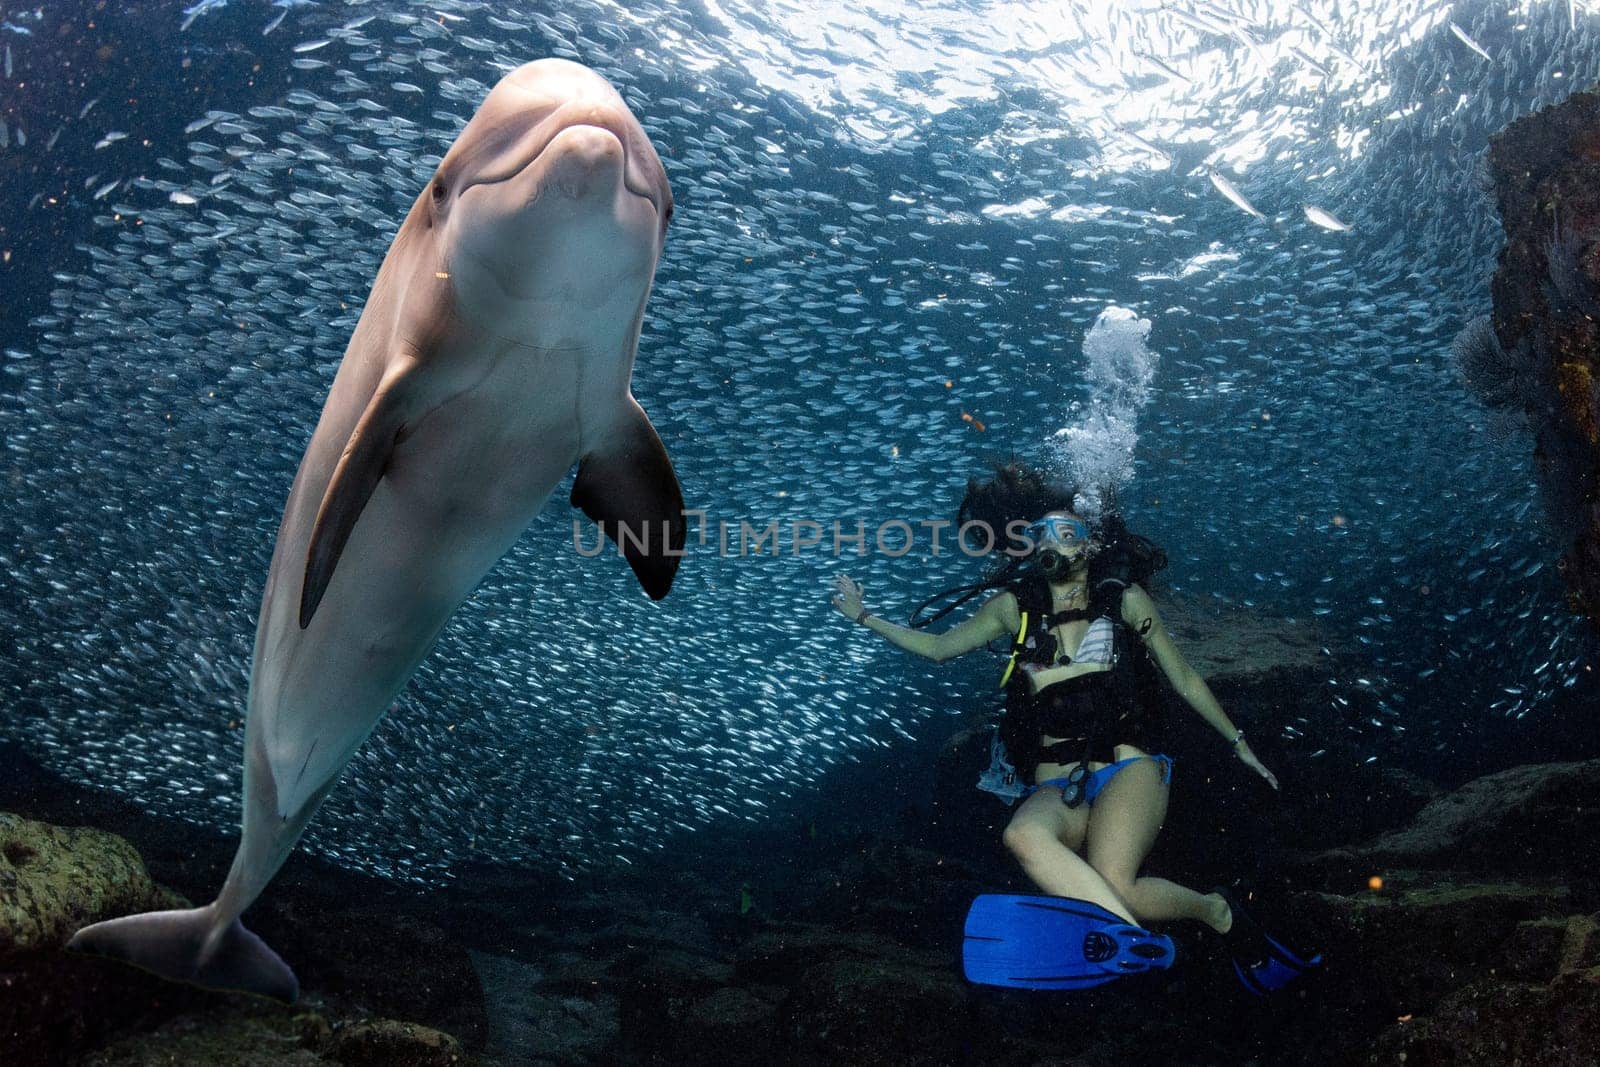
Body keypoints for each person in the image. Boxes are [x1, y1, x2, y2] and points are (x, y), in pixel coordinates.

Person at [830, 461, 1315, 992]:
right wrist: (864, 617)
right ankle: (1137, 942)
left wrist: (1238, 742)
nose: (1052, 541)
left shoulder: (1124, 601)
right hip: (1055, 782)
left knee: (1117, 885)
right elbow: (939, 648)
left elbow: (1184, 677)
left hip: (1128, 767)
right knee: (1021, 834)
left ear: (1086, 544)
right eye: (1041, 533)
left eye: (1067, 532)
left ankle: (1215, 912)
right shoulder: (1012, 608)